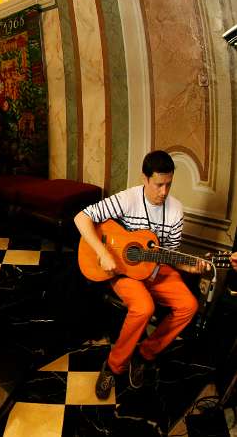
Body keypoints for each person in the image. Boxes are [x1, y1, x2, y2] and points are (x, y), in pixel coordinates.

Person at [74, 150, 209, 399]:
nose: (164, 192)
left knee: (189, 305)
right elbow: (81, 218)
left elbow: (169, 254)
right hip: (123, 269)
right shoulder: (128, 199)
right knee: (144, 307)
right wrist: (102, 252)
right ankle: (114, 366)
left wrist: (190, 266)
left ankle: (145, 353)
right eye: (159, 184)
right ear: (145, 179)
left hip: (157, 268)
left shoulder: (176, 210)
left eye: (169, 184)